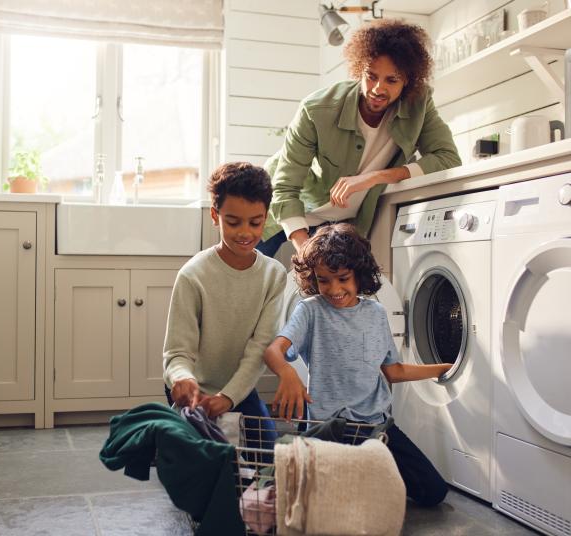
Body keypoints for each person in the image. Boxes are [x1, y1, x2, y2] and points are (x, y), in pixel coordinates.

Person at [263, 223, 451, 506]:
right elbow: (274, 350)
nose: (334, 289)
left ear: (358, 275)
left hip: (376, 427)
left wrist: (443, 368)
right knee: (322, 502)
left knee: (434, 492)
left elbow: (393, 370)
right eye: (324, 280)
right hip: (328, 428)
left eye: (342, 278)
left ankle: (365, 477)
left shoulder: (375, 313)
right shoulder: (310, 310)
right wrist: (287, 373)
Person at [258, 19, 461, 258]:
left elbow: (448, 159)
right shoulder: (316, 109)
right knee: (250, 275)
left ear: (407, 80)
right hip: (286, 206)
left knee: (333, 289)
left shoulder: (419, 104)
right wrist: (306, 254)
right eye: (371, 76)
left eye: (391, 80)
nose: (377, 88)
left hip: (342, 221)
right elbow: (285, 188)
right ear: (359, 68)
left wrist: (373, 178)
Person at [163, 161, 287, 449]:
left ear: (266, 218)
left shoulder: (273, 275)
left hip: (240, 389)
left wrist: (228, 398)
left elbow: (259, 349)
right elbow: (177, 353)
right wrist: (182, 378)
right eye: (233, 222)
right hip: (191, 389)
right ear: (214, 216)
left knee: (268, 464)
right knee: (198, 464)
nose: (245, 232)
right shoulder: (193, 275)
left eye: (255, 222)